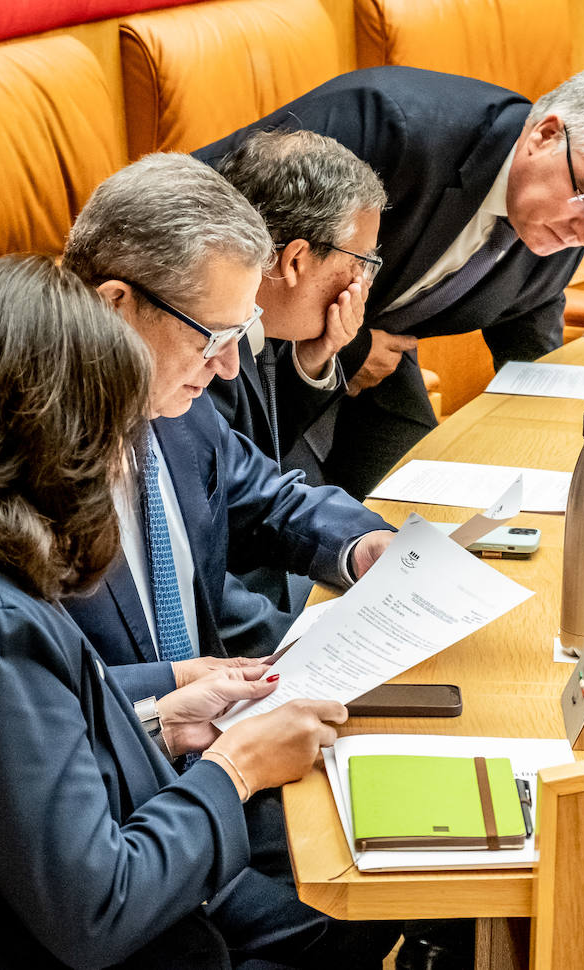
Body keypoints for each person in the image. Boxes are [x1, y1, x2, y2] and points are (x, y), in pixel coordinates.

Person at [0, 254, 359, 969]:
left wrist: (159, 715)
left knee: (326, 927)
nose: (121, 460)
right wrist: (235, 769)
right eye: (112, 430)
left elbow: (3, 755)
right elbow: (99, 910)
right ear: (48, 437)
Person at [197, 65, 584, 498]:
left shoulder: (565, 220)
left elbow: (529, 314)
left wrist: (569, 447)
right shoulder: (391, 124)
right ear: (545, 135)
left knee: (417, 513)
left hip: (374, 363)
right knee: (285, 540)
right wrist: (345, 350)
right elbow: (192, 211)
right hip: (237, 360)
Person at [59, 152, 396, 672]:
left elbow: (266, 499)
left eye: (241, 333)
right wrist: (173, 694)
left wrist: (358, 544)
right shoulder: (21, 456)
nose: (229, 367)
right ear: (115, 305)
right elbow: (42, 692)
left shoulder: (177, 408)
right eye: (213, 336)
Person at [208, 128, 388, 655]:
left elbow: (252, 473)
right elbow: (200, 546)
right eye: (362, 262)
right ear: (294, 261)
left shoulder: (265, 317)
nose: (364, 283)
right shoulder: (197, 341)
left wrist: (358, 543)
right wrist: (299, 644)